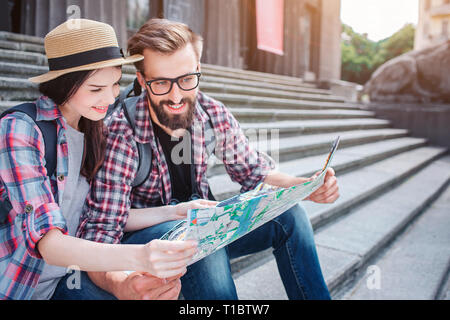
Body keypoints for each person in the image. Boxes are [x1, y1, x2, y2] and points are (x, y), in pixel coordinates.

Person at [77, 18, 339, 300]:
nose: (176, 96)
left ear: (198, 70)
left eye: (187, 79)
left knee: (291, 216)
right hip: (143, 243)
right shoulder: (121, 131)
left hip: (199, 227)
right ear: (142, 80)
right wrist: (120, 284)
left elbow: (252, 169)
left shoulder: (211, 113)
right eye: (162, 83)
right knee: (199, 239)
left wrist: (307, 186)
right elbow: (103, 227)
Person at [0, 19, 212, 300]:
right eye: (96, 88)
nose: (111, 97)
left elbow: (102, 217)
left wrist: (175, 211)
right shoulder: (20, 129)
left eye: (114, 84)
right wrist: (139, 257)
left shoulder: (95, 126)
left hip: (69, 278)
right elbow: (48, 243)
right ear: (65, 85)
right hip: (22, 285)